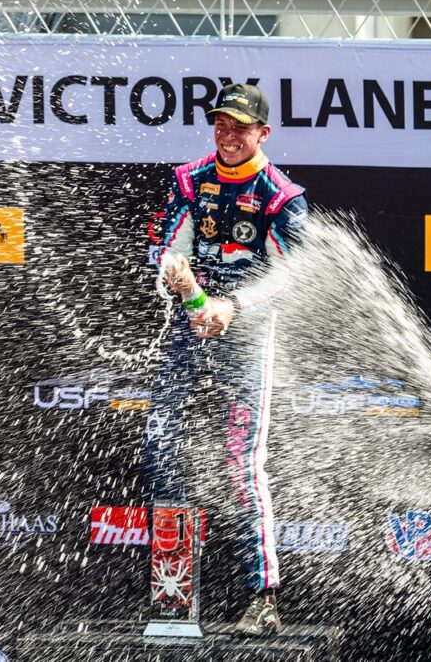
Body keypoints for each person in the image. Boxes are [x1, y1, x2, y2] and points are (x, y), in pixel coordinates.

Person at [144, 83, 308, 635]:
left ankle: (264, 597)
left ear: (263, 133)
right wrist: (175, 271)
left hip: (247, 329)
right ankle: (172, 593)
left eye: (240, 127)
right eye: (220, 124)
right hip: (189, 322)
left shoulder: (282, 195)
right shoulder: (190, 178)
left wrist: (232, 305)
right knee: (160, 441)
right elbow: (169, 243)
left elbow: (289, 277)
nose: (228, 135)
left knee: (240, 462)